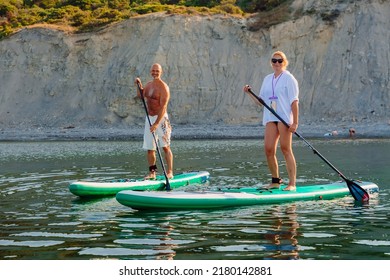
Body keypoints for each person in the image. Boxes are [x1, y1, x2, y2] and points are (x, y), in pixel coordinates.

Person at [243, 51, 299, 191]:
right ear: (271, 62)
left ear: (284, 62)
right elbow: (260, 101)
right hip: (270, 117)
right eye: (274, 61)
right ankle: (275, 181)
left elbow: (294, 102)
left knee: (286, 149)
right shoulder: (267, 78)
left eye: (280, 61)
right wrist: (249, 93)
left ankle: (292, 183)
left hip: (284, 118)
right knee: (268, 150)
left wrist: (295, 122)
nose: (277, 63)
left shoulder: (289, 78)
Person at [135, 63, 173, 180]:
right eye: (153, 71)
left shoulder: (164, 87)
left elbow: (163, 107)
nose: (155, 73)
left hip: (161, 119)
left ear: (161, 72)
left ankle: (170, 172)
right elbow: (141, 96)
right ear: (150, 71)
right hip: (149, 118)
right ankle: (152, 173)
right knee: (150, 148)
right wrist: (139, 85)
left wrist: (156, 124)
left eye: (157, 71)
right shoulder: (149, 85)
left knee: (165, 146)